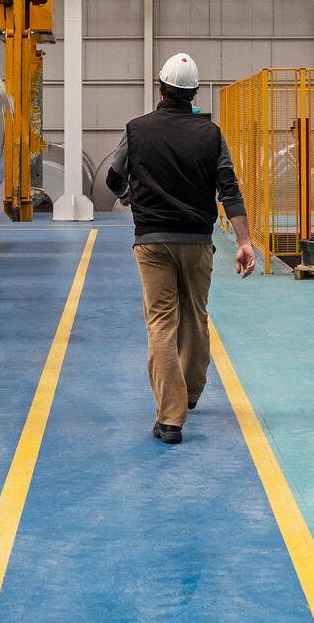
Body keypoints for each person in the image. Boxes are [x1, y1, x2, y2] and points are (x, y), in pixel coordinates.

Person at [104, 52, 258, 446]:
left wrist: (129, 199)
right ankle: (189, 393)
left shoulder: (137, 130)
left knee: (161, 323)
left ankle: (170, 418)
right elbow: (229, 189)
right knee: (196, 316)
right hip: (197, 242)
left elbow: (113, 176)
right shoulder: (211, 134)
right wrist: (243, 241)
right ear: (193, 94)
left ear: (161, 88)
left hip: (152, 241)